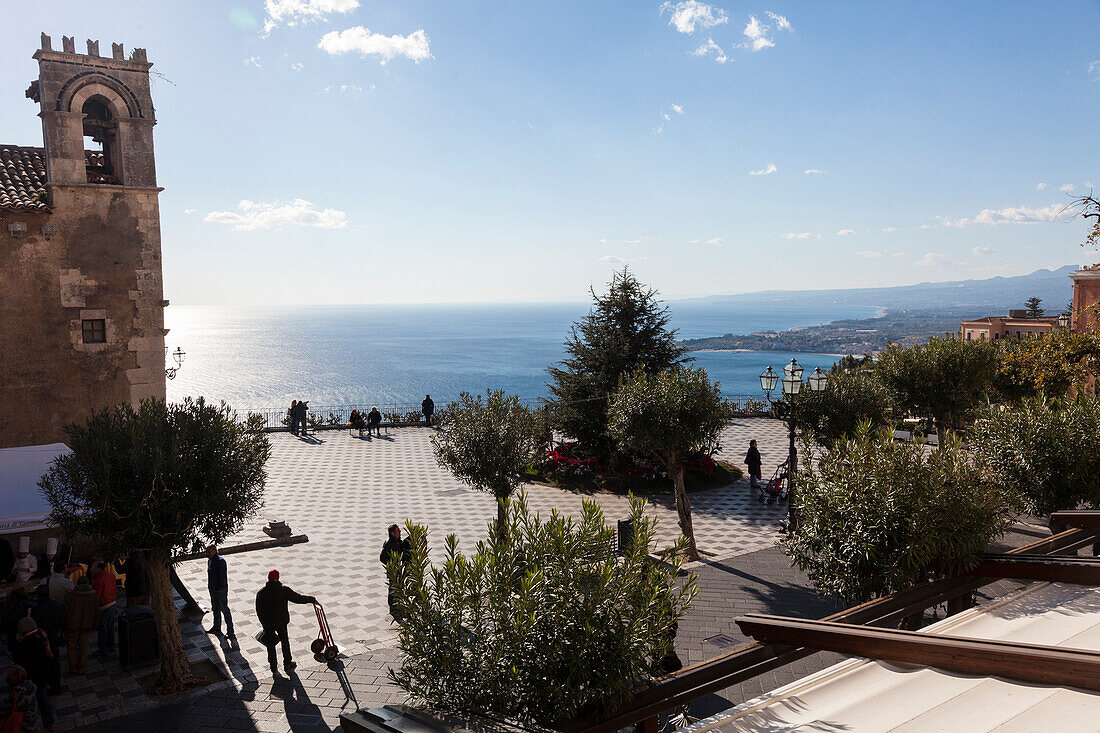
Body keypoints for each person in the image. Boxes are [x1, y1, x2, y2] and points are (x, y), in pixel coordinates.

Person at [255, 570, 316, 674]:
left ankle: (273, 666)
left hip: (268, 623)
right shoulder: (283, 590)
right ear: (278, 578)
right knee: (285, 641)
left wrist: (264, 624)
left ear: (268, 578)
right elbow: (298, 598)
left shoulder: (261, 592)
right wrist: (312, 599)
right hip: (281, 622)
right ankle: (287, 663)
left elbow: (259, 610)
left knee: (270, 644)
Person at [12, 617, 55, 730]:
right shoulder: (41, 635)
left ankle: (49, 724)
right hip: (42, 675)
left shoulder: (25, 643)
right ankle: (50, 723)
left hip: (35, 677)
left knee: (41, 699)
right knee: (43, 698)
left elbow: (18, 660)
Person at [30, 586, 62, 695]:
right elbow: (60, 620)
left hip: (42, 637)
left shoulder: (36, 608)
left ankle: (48, 683)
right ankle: (56, 685)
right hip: (53, 635)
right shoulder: (56, 605)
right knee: (55, 661)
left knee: (45, 661)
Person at [63, 576, 99, 675]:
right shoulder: (93, 596)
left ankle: (73, 667)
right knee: (83, 647)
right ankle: (82, 667)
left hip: (71, 626)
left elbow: (64, 612)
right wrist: (95, 625)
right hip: (86, 626)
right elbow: (97, 612)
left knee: (71, 647)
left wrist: (62, 626)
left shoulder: (70, 596)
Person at [379, 524, 412, 620]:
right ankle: (394, 610)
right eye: (398, 531)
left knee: (399, 588)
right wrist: (392, 564)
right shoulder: (389, 545)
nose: (400, 532)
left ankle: (399, 608)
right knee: (393, 590)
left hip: (399, 570)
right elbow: (382, 558)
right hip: (394, 571)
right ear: (393, 533)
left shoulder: (397, 541)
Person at [89, 561, 117, 657]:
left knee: (102, 629)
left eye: (93, 567)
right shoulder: (110, 575)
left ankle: (103, 649)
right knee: (110, 627)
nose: (91, 569)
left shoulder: (98, 580)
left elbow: (97, 596)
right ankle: (111, 646)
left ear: (98, 568)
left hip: (104, 605)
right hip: (112, 603)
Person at [205, 546, 234, 638]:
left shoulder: (220, 561)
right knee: (215, 608)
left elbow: (222, 576)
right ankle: (216, 627)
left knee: (224, 608)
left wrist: (220, 588)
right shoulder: (210, 560)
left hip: (220, 589)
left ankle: (230, 631)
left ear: (214, 551)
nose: (207, 553)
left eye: (209, 551)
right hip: (213, 588)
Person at [1, 665, 40, 732]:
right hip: (31, 722)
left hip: (20, 725)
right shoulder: (30, 689)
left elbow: (6, 710)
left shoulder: (15, 694)